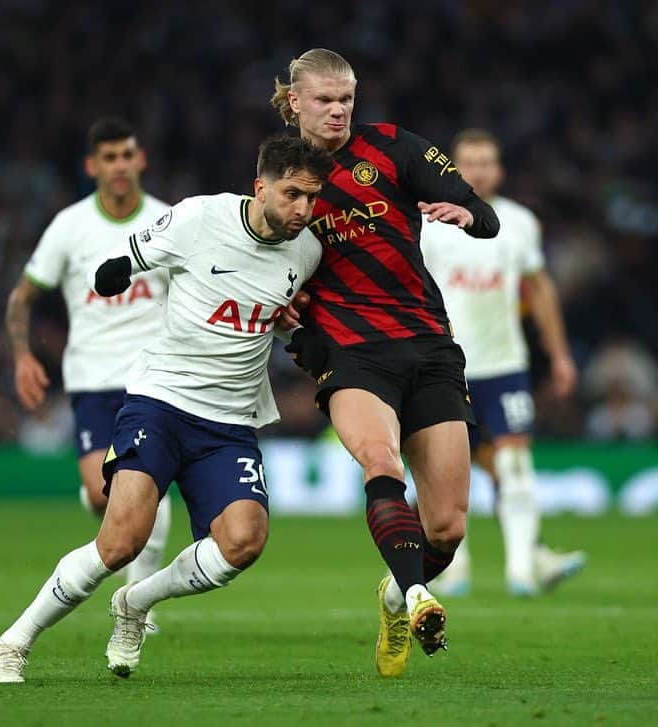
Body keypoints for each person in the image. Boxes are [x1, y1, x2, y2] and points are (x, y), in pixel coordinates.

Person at [0, 134, 331, 683]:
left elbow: (292, 309)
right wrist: (114, 272)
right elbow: (128, 260)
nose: (303, 210)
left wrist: (301, 328)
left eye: (312, 198)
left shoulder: (308, 250)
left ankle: (136, 602)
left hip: (232, 421)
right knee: (121, 542)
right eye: (292, 195)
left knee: (244, 542)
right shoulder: (197, 219)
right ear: (260, 187)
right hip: (162, 402)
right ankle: (13, 640)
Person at [270, 48, 500, 678]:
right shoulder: (281, 175)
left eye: (346, 98)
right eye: (324, 99)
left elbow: (485, 214)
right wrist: (281, 301)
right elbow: (259, 253)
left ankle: (397, 592)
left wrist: (465, 214)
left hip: (426, 343)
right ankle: (421, 596)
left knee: (447, 529)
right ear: (296, 103)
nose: (339, 109)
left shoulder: (395, 148)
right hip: (349, 349)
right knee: (380, 459)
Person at [5, 117, 173, 624]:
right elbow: (23, 296)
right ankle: (98, 499)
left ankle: (136, 605)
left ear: (140, 159)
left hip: (153, 377)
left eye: (127, 155)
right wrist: (22, 355)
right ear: (92, 165)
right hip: (93, 381)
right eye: (109, 157)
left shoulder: (169, 222)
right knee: (106, 495)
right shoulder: (71, 226)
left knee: (146, 487)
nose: (119, 165)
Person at [420, 129, 586, 597]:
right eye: (469, 161)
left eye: (487, 161)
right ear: (452, 168)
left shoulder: (519, 222)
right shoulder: (428, 223)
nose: (479, 170)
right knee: (448, 471)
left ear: (501, 169)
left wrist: (559, 355)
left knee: (513, 463)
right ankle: (455, 569)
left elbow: (540, 290)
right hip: (444, 366)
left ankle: (521, 572)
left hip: (505, 364)